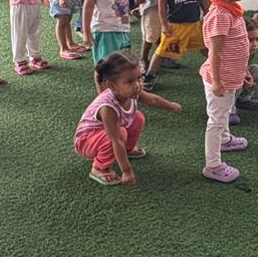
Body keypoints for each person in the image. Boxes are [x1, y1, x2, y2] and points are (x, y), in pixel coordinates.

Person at [75, 51, 183, 186]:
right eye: (129, 81)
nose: (137, 85)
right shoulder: (108, 108)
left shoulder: (132, 92)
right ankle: (99, 168)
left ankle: (127, 150)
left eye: (139, 78)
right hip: (86, 142)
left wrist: (170, 105)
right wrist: (126, 171)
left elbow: (152, 100)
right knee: (120, 134)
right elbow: (116, 140)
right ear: (112, 85)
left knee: (138, 117)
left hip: (104, 134)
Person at [200, 0, 251, 184]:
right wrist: (217, 81)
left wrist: (242, 72)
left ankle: (225, 140)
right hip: (219, 79)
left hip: (230, 77)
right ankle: (213, 165)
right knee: (216, 120)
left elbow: (236, 47)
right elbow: (215, 51)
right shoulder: (220, 16)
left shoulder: (230, 11)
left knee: (225, 111)